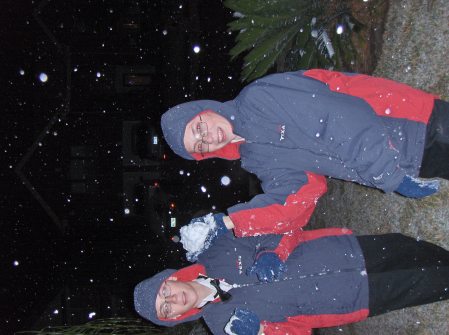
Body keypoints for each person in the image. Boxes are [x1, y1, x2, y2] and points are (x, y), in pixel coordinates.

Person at [161, 69, 448, 242]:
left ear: (204, 109)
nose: (208, 138)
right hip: (403, 160)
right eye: (200, 146)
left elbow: (338, 117)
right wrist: (230, 222)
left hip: (409, 124)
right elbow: (298, 197)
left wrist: (388, 175)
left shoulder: (258, 99)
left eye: (199, 128)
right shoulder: (254, 157)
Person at [134, 227, 449, 335]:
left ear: (171, 278)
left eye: (165, 292)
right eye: (166, 309)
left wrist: (273, 250)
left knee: (414, 249)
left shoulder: (219, 249)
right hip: (353, 298)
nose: (173, 300)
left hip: (344, 250)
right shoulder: (223, 326)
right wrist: (260, 331)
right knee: (431, 283)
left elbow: (284, 226)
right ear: (174, 319)